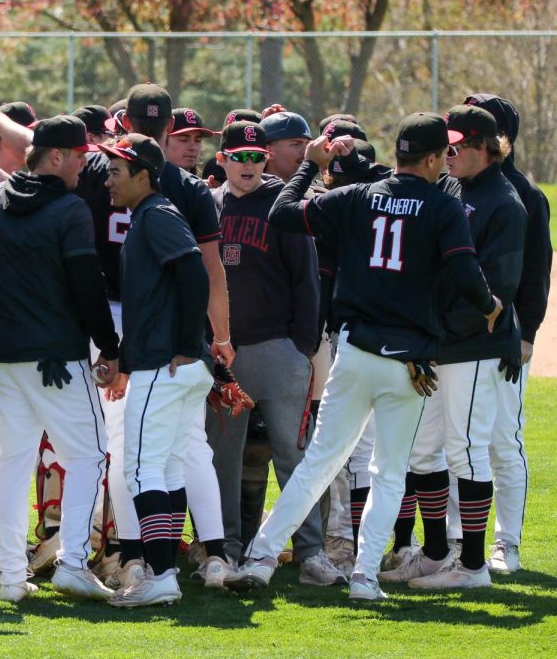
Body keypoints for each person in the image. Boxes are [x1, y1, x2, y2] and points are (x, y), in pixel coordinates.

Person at [226, 113, 502, 602]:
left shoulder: (357, 197)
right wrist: (489, 305)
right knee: (389, 472)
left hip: (354, 351)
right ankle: (365, 577)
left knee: (319, 462)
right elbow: (463, 268)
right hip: (410, 365)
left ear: (398, 153)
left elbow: (283, 213)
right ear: (437, 158)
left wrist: (309, 167)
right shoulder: (443, 206)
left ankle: (262, 557)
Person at [0, 112, 119, 604]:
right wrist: (110, 345)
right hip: (56, 356)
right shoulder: (69, 210)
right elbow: (86, 285)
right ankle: (73, 562)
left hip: (6, 356)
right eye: (78, 156)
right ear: (56, 156)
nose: (83, 166)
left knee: (10, 464)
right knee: (89, 455)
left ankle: (12, 576)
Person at [379, 105, 525, 590]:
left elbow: (495, 294)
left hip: (474, 346)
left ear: (486, 145)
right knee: (424, 451)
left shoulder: (505, 204)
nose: (451, 151)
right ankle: (438, 551)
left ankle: (474, 565)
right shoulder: (450, 188)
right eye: (449, 144)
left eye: (460, 144)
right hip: (440, 343)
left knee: (467, 449)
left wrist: (434, 332)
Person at [206, 122, 343, 585]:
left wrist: (300, 346)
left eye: (255, 156)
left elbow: (308, 282)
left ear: (265, 159)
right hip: (224, 356)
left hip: (276, 348)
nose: (248, 165)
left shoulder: (282, 204)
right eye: (238, 157)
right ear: (221, 159)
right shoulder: (209, 205)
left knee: (293, 456)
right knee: (221, 457)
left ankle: (309, 552)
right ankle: (222, 549)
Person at [98, 133, 214, 606]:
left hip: (167, 367)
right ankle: (164, 575)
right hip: (166, 364)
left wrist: (187, 344)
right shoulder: (151, 214)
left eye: (116, 170)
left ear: (143, 175)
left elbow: (195, 274)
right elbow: (154, 299)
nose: (108, 179)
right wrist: (124, 356)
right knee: (163, 470)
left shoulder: (158, 213)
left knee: (144, 470)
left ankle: (161, 575)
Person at [464, 94, 551, 574]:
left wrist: (527, 334)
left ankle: (507, 545)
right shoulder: (459, 189)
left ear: (503, 140)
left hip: (506, 337)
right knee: (462, 442)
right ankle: (459, 541)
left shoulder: (522, 194)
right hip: (461, 340)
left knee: (502, 440)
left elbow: (537, 271)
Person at [260, 109, 312, 182]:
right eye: (296, 144)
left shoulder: (318, 191)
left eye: (307, 144)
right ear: (269, 152)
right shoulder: (247, 191)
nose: (305, 151)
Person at [160, 108, 216, 175]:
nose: (193, 147)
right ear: (163, 141)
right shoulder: (148, 182)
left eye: (197, 140)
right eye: (183, 140)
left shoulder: (202, 185)